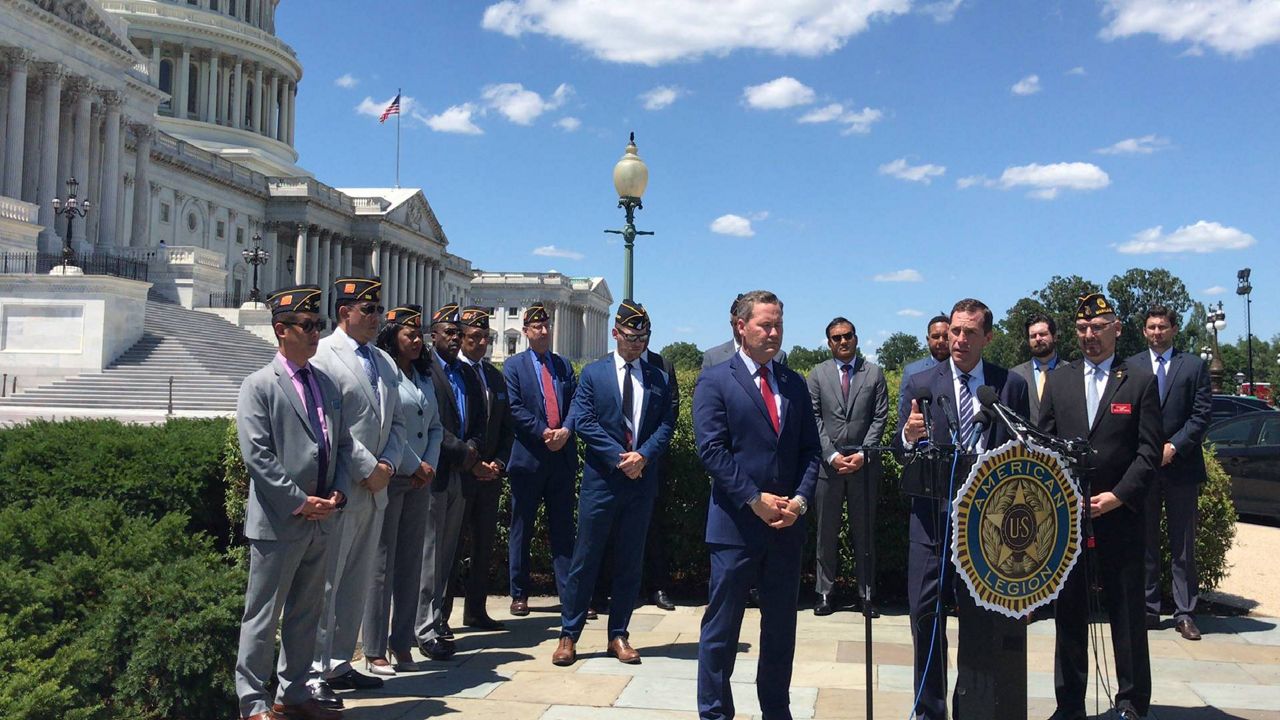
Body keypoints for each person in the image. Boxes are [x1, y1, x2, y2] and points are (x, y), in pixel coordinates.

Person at [895, 298, 1030, 720]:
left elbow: (1023, 456)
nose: (959, 339)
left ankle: (972, 708)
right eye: (955, 331)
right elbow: (903, 455)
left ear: (987, 337)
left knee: (980, 622)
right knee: (924, 617)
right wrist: (908, 436)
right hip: (931, 524)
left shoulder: (1009, 386)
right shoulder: (919, 383)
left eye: (970, 332)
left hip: (986, 529)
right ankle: (928, 709)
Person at [693, 290, 821, 720]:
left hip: (786, 529)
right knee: (721, 630)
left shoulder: (793, 382)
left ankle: (775, 710)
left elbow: (811, 452)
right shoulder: (715, 379)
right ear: (740, 327)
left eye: (778, 325)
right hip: (735, 528)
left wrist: (799, 502)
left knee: (781, 630)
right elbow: (711, 451)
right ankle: (714, 711)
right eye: (765, 325)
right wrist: (753, 498)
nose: (773, 332)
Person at [1039, 292, 1161, 720]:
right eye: (1082, 329)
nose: (1090, 335)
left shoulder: (1140, 380)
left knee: (1127, 612)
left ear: (1117, 329)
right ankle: (1069, 702)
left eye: (1098, 327)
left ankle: (1131, 701)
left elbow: (1148, 453)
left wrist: (1117, 497)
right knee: (1068, 613)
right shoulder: (1060, 380)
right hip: (1070, 516)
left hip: (1120, 515)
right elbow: (1043, 444)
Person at [234, 285, 348, 720]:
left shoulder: (326, 383)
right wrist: (301, 501)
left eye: (318, 324)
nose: (316, 332)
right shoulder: (259, 385)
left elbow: (338, 444)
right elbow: (257, 455)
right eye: (307, 325)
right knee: (263, 616)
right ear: (282, 330)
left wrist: (338, 491)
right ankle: (253, 702)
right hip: (280, 521)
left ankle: (294, 693)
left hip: (322, 518)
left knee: (306, 612)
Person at [552, 300, 677, 666]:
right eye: (629, 336)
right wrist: (620, 458)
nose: (636, 343)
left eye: (642, 337)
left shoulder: (658, 376)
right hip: (602, 481)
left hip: (640, 480)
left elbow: (666, 424)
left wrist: (644, 456)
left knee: (629, 560)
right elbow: (586, 421)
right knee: (585, 559)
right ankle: (568, 635)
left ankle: (618, 634)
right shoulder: (593, 373)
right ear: (615, 333)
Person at [308, 277, 404, 708]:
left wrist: (387, 465)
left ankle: (340, 661)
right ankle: (311, 671)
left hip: (376, 488)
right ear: (344, 312)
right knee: (325, 583)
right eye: (367, 310)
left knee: (356, 581)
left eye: (378, 309)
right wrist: (369, 467)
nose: (376, 317)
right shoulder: (324, 356)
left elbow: (397, 422)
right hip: (343, 486)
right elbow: (333, 425)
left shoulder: (384, 360)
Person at [362, 305, 442, 676]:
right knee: (382, 565)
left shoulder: (424, 374)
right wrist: (415, 464)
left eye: (418, 334)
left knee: (411, 563)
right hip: (395, 476)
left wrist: (431, 465)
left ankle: (402, 642)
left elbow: (436, 426)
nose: (416, 340)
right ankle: (375, 648)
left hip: (421, 479)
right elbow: (390, 426)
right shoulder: (385, 371)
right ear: (392, 336)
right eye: (408, 333)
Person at [1129, 305, 1211, 641]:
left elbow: (1201, 415)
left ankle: (1185, 613)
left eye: (1163, 326)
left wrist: (1173, 447)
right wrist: (1149, 451)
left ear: (1174, 329)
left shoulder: (1193, 366)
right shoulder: (1131, 366)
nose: (1157, 332)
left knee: (1183, 545)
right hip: (1144, 466)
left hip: (1182, 467)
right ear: (1144, 331)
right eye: (1151, 327)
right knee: (1143, 541)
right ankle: (1148, 609)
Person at [415, 303, 486, 660]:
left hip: (460, 474)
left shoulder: (468, 374)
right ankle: (422, 627)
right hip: (436, 471)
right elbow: (430, 421)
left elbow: (478, 420)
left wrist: (472, 448)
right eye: (449, 333)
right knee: (428, 554)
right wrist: (461, 451)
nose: (456, 339)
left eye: (459, 333)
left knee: (446, 554)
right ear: (434, 336)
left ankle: (437, 619)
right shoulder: (424, 371)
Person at [806, 317, 887, 617]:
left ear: (856, 338)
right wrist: (830, 454)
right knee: (826, 533)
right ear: (829, 343)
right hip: (829, 467)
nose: (843, 342)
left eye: (847, 336)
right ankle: (825, 593)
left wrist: (864, 454)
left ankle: (866, 594)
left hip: (863, 467)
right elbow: (813, 417)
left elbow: (880, 418)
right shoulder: (817, 375)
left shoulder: (874, 374)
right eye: (836, 338)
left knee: (864, 533)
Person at [504, 301, 578, 615]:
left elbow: (577, 404)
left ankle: (569, 595)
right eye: (537, 327)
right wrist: (544, 432)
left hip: (560, 458)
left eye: (546, 326)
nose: (544, 331)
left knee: (563, 529)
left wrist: (565, 430)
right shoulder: (514, 366)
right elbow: (514, 407)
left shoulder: (563, 365)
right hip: (529, 458)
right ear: (525, 332)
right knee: (522, 527)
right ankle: (519, 594)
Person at [448, 305, 515, 631]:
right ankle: (440, 618)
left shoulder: (494, 377)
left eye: (485, 337)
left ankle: (476, 610)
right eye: (474, 337)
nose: (480, 343)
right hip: (459, 475)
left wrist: (498, 462)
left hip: (490, 476)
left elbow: (506, 428)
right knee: (451, 548)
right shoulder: (451, 373)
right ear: (461, 338)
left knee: (484, 546)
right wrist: (472, 463)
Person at [701, 293, 788, 368]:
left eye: (777, 325)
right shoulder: (713, 357)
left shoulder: (778, 356)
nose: (774, 333)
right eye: (736, 324)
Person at [1011, 313, 1061, 422]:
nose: (1038, 339)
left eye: (1042, 334)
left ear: (1055, 336)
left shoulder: (1071, 372)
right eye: (1033, 336)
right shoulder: (1014, 376)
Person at [898, 314, 950, 408]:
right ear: (928, 340)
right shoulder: (912, 372)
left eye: (946, 336)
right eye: (936, 336)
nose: (941, 341)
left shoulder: (963, 370)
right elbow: (904, 411)